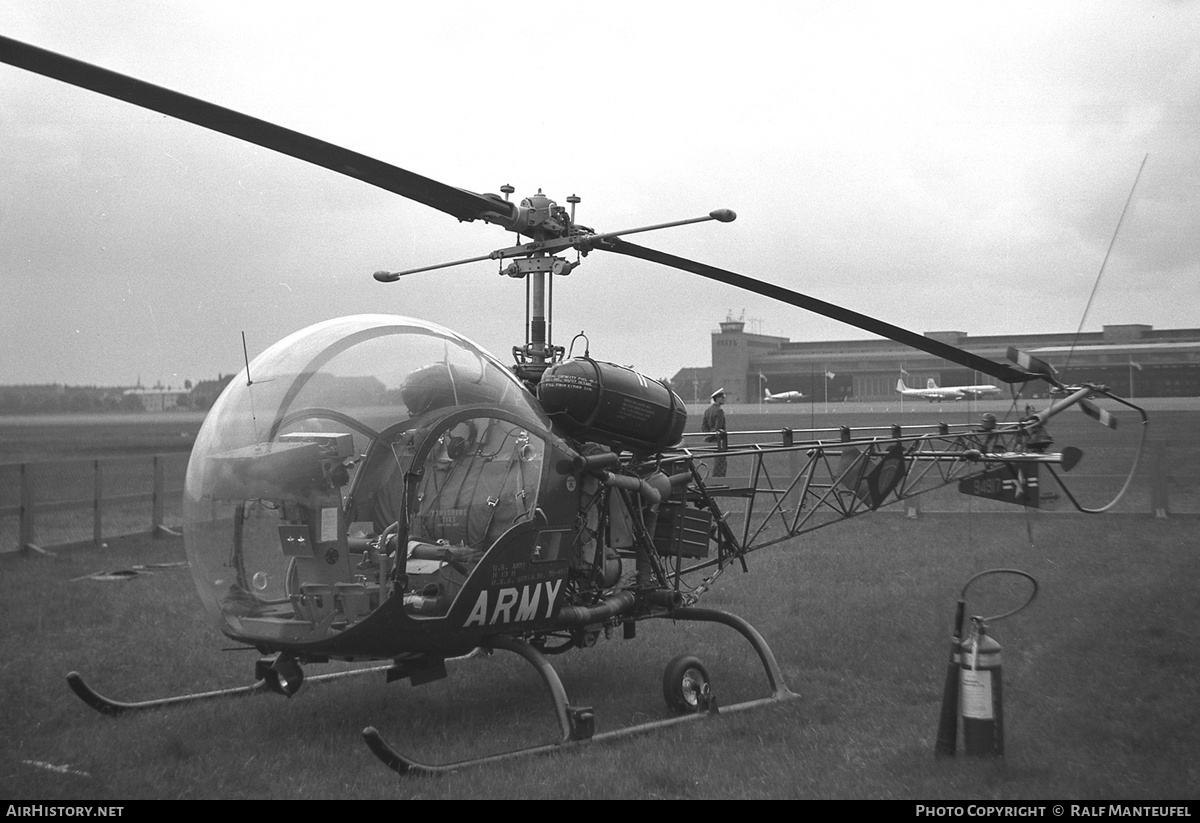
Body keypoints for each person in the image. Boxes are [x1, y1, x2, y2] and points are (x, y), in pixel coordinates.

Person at [701, 388, 727, 477]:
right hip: (720, 440)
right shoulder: (719, 411)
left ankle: (716, 480)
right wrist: (711, 435)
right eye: (722, 397)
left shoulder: (707, 410)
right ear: (717, 398)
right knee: (721, 462)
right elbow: (718, 427)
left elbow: (704, 426)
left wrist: (707, 435)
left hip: (711, 440)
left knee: (718, 461)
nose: (724, 399)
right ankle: (719, 481)